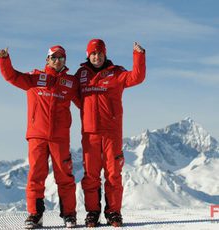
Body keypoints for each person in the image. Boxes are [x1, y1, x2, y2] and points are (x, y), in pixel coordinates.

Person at [0, 45, 80, 229]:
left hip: (60, 138)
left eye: (61, 57)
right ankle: (35, 215)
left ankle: (69, 215)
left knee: (65, 177)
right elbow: (12, 76)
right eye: (54, 57)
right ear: (47, 59)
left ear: (65, 60)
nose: (58, 61)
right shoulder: (35, 78)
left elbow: (84, 102)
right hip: (37, 136)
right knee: (36, 176)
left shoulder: (71, 83)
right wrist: (4, 60)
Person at [75, 39, 146, 227]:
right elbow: (73, 94)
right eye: (92, 53)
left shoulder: (116, 73)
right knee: (91, 175)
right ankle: (92, 213)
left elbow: (137, 77)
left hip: (111, 133)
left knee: (113, 174)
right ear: (88, 55)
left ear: (105, 54)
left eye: (99, 53)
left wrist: (138, 55)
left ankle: (114, 212)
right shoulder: (81, 74)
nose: (96, 57)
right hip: (89, 133)